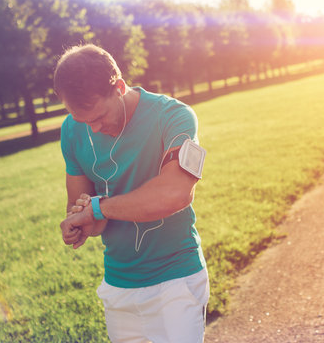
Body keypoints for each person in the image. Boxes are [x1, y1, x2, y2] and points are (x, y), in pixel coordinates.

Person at [55, 44, 209, 343]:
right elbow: (87, 215)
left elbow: (175, 193)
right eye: (85, 121)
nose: (94, 129)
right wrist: (79, 223)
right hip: (118, 287)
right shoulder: (72, 130)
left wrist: (99, 208)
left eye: (99, 117)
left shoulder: (174, 116)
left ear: (119, 87)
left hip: (175, 282)